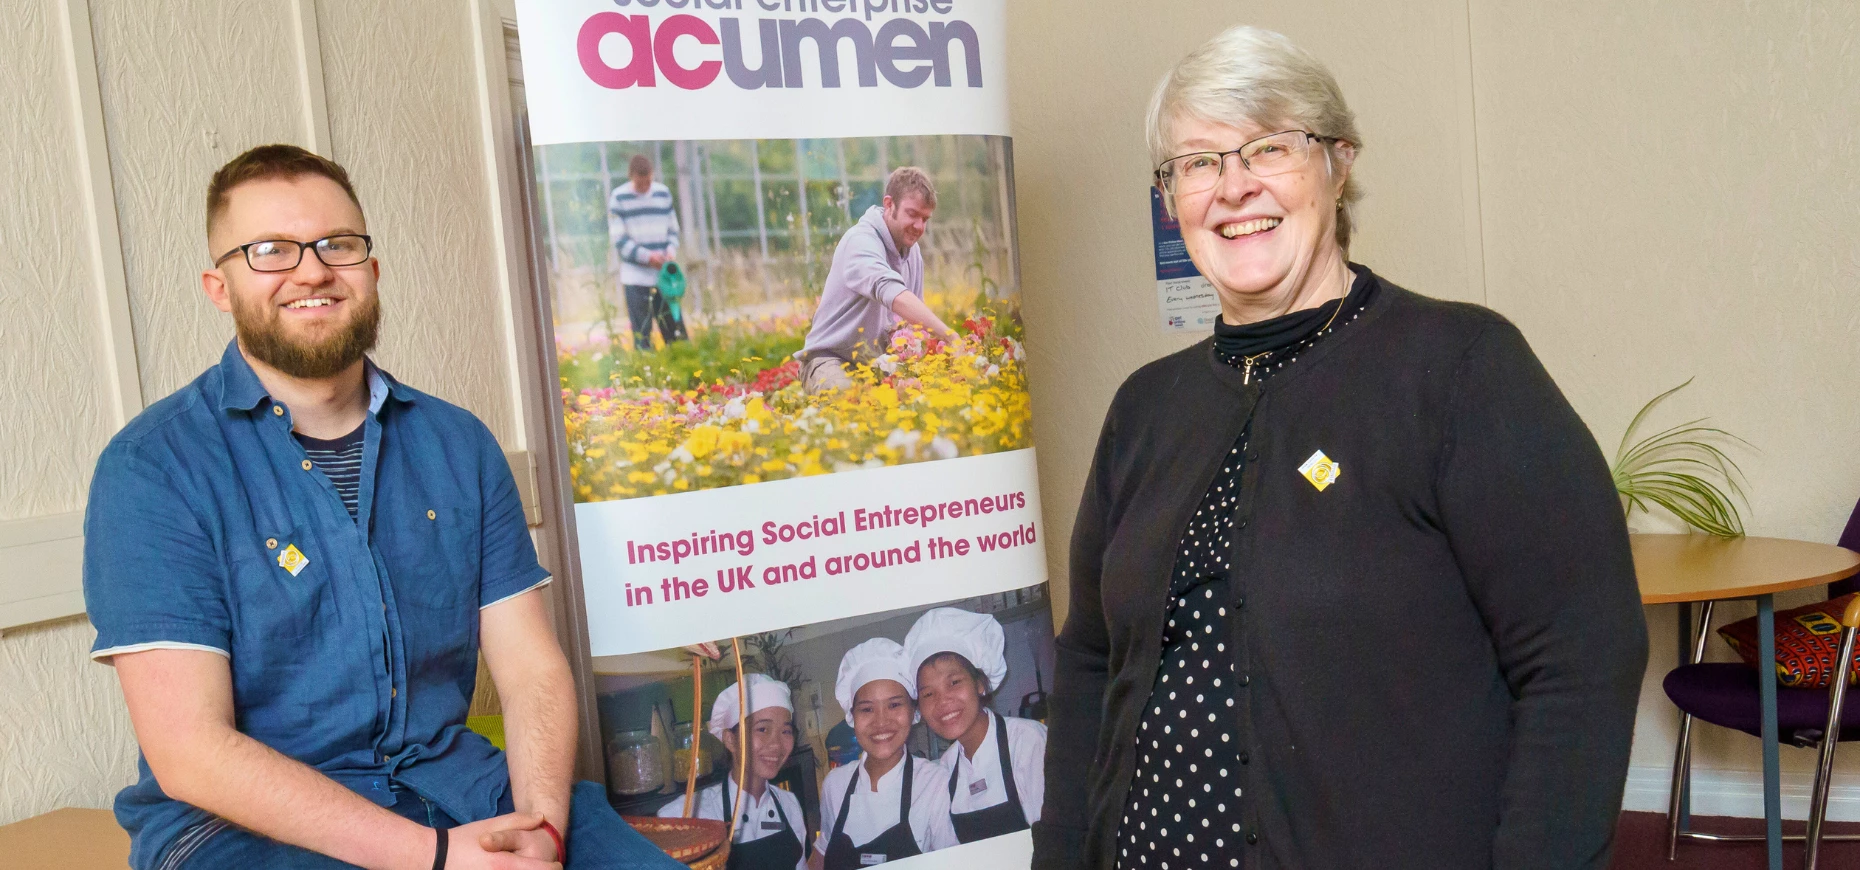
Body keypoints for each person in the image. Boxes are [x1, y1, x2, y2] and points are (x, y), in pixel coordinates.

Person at [1034, 26, 1648, 870]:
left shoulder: (1461, 368)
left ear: (1338, 162)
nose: (1233, 186)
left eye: (1270, 147)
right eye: (1198, 163)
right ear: (1170, 197)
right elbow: (1091, 664)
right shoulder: (1143, 408)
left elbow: (1581, 657)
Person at [81, 144, 683, 870]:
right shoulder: (153, 468)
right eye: (270, 250)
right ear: (219, 286)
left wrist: (539, 831)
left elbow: (531, 673)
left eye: (338, 244)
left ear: (371, 269)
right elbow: (190, 752)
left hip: (461, 787)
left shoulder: (458, 444)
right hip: (247, 834)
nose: (312, 270)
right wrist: (435, 858)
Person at [797, 167, 959, 394]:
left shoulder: (913, 252)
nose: (919, 227)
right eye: (912, 214)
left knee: (927, 396)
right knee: (848, 401)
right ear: (889, 204)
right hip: (829, 358)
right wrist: (949, 335)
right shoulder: (861, 241)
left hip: (877, 365)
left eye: (925, 219)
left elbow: (913, 324)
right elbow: (889, 290)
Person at [811, 639, 958, 869]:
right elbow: (820, 857)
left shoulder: (935, 783)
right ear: (852, 716)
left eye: (894, 705)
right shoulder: (835, 784)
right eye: (867, 709)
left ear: (913, 711)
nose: (881, 722)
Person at [904, 607, 1046, 844]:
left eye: (954, 682)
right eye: (928, 694)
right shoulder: (945, 770)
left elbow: (1059, 842)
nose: (942, 701)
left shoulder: (1028, 742)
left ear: (980, 684)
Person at [655, 674, 807, 870]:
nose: (777, 744)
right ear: (730, 739)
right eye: (762, 729)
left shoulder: (789, 804)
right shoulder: (687, 816)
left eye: (785, 731)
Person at [608, 154, 684, 350]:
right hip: (636, 278)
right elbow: (619, 239)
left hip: (664, 278)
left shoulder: (663, 194)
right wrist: (647, 257)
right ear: (631, 177)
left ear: (653, 175)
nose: (645, 187)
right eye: (640, 183)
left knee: (675, 333)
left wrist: (670, 250)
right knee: (642, 337)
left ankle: (681, 369)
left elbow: (673, 230)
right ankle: (648, 376)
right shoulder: (619, 198)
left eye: (648, 182)